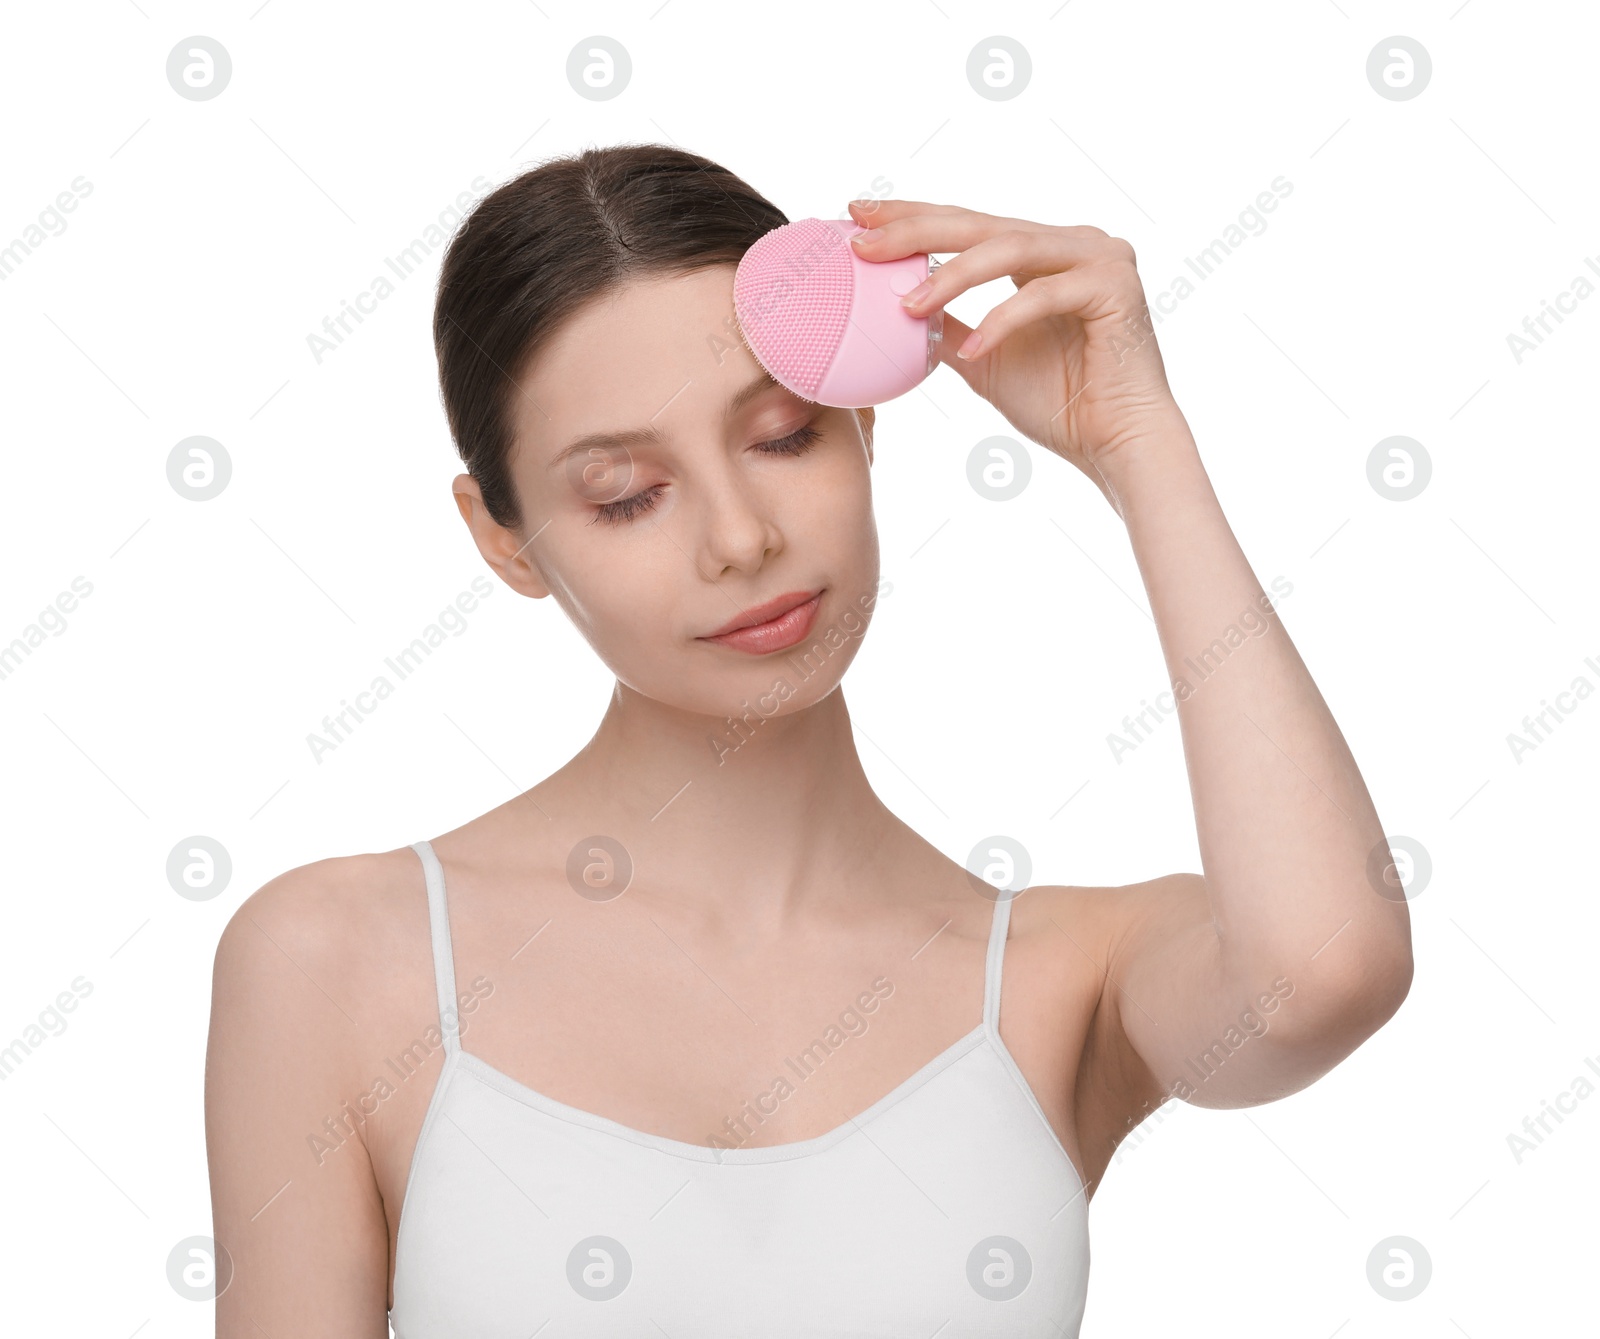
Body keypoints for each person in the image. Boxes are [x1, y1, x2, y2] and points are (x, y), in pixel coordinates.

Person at [205, 143, 1413, 1337]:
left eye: (784, 435)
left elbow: (1324, 975)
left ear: (865, 426)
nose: (741, 538)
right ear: (504, 538)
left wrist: (1141, 448)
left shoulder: (1055, 980)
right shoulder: (333, 963)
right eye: (626, 492)